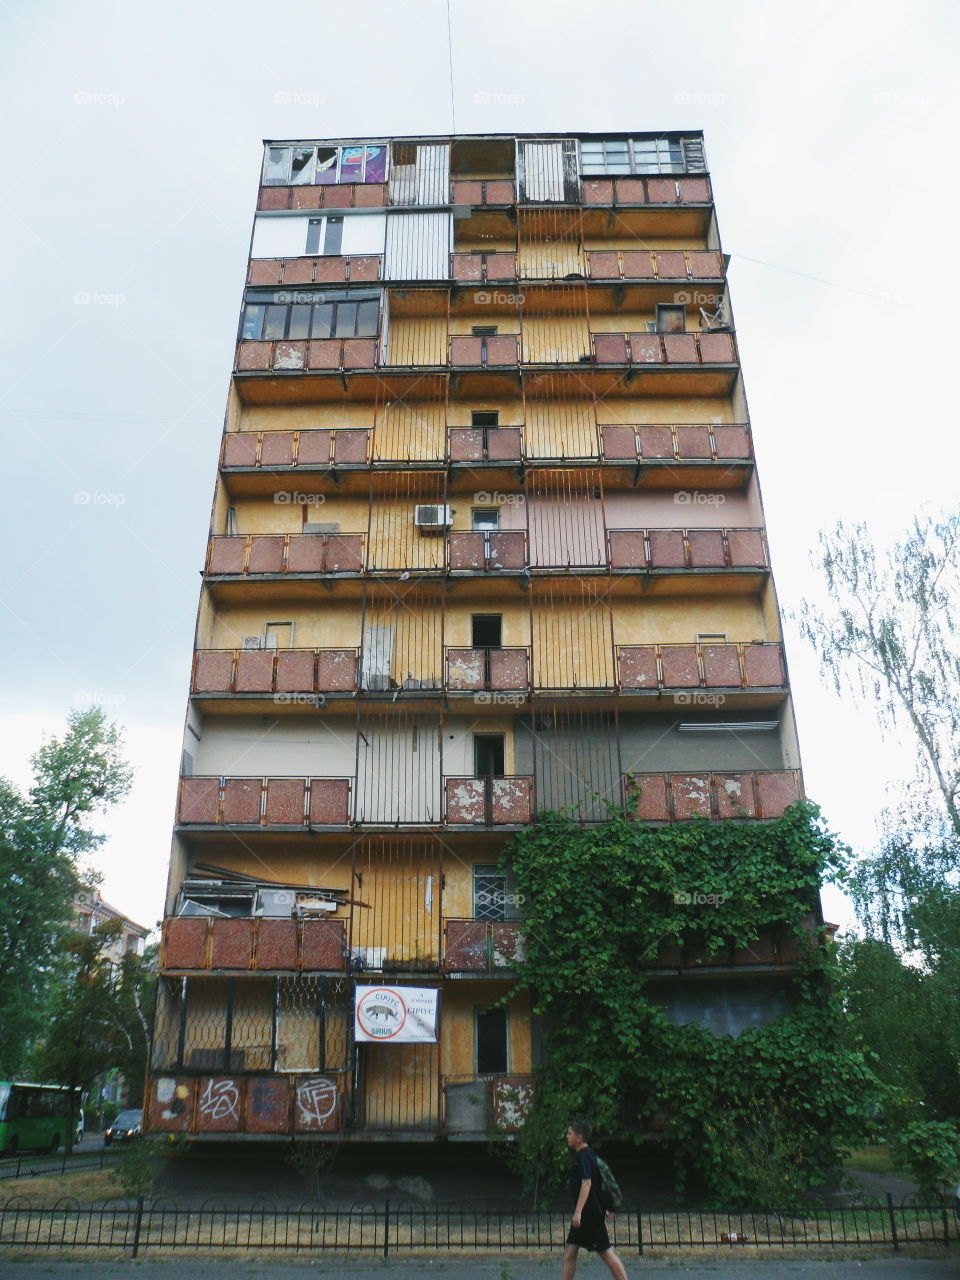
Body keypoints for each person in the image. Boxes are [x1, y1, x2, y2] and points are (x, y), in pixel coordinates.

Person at [562, 1120, 629, 1279]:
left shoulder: (584, 1157)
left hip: (588, 1215)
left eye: (570, 1133)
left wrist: (578, 1212)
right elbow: (598, 1187)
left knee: (606, 1253)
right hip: (588, 1213)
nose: (567, 1136)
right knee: (570, 1254)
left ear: (579, 1138)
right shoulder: (586, 1155)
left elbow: (587, 1184)